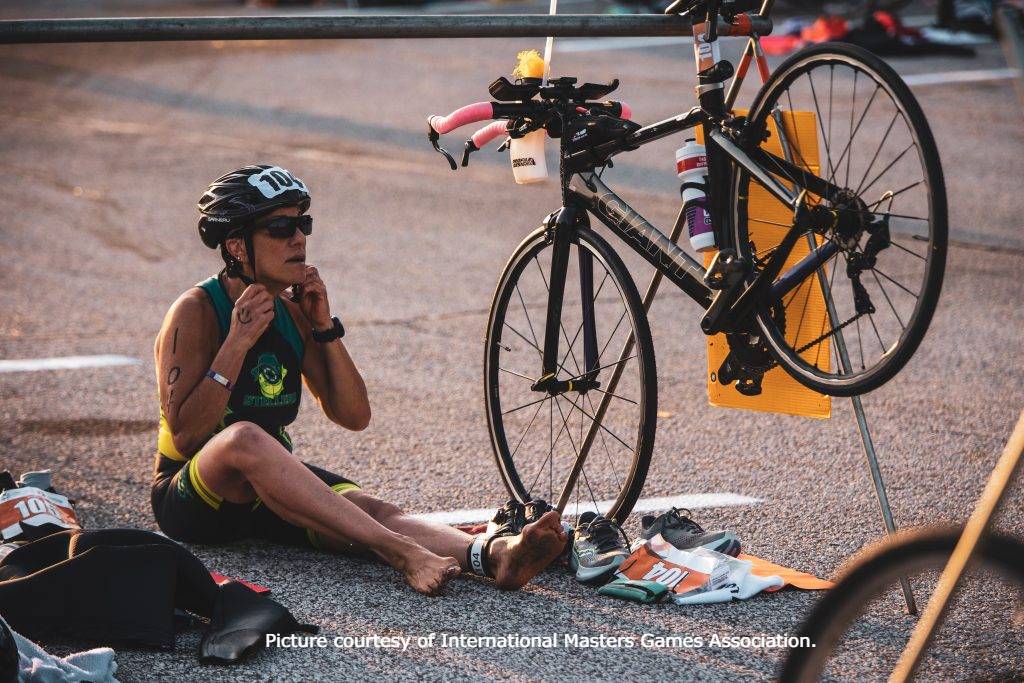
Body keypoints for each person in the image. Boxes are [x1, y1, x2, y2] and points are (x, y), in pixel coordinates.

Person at [151, 164, 567, 596]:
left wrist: (323, 327)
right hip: (193, 497)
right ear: (237, 245)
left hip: (263, 490)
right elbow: (184, 437)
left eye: (302, 224)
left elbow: (353, 415)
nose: (299, 238)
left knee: (370, 508)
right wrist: (236, 342)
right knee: (245, 438)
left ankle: (496, 555)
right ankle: (401, 552)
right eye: (280, 227)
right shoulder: (196, 311)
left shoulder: (292, 313)